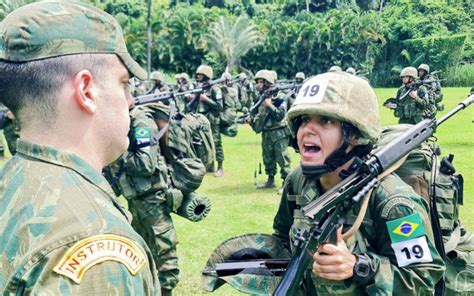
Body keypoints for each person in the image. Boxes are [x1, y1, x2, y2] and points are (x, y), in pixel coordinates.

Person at [0, 2, 159, 294]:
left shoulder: (11, 178)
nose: (131, 100)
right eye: (124, 83)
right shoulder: (98, 250)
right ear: (86, 91)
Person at [273, 71, 444, 294]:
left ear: (354, 134)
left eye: (325, 121)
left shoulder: (393, 201)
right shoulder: (298, 181)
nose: (307, 130)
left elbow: (422, 281)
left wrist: (359, 267)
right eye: (303, 120)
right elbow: (281, 239)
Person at [105, 102, 204, 296]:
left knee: (164, 251)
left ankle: (166, 292)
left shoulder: (142, 124)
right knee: (141, 249)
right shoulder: (126, 120)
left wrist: (119, 151)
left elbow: (145, 164)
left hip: (152, 199)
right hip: (136, 199)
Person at [250, 70, 291, 194]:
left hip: (279, 132)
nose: (258, 84)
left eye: (261, 82)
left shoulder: (280, 96)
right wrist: (251, 120)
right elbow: (258, 115)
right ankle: (270, 179)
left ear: (268, 83)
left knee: (283, 159)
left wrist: (270, 105)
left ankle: (287, 184)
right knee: (268, 158)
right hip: (266, 132)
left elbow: (280, 115)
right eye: (257, 82)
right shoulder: (260, 97)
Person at [193, 65, 224, 177]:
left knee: (216, 143)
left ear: (206, 75)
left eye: (200, 74)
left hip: (213, 120)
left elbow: (220, 106)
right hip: (202, 120)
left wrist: (206, 99)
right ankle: (209, 166)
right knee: (203, 143)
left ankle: (220, 167)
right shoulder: (202, 87)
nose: (198, 76)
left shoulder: (215, 88)